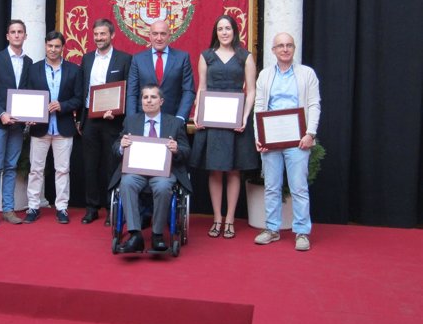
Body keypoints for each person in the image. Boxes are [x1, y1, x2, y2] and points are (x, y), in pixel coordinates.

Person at [190, 15, 259, 239]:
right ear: (216, 32)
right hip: (212, 118)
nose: (224, 32)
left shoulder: (245, 57)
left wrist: (245, 118)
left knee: (233, 169)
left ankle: (230, 218)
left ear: (234, 31)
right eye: (220, 29)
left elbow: (251, 91)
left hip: (235, 120)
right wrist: (197, 114)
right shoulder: (206, 56)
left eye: (227, 28)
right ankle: (217, 218)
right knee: (215, 169)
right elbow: (202, 87)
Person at [254, 32, 321, 251]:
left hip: (298, 139)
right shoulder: (264, 75)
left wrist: (310, 134)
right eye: (280, 46)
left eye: (289, 45)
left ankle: (302, 232)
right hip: (271, 140)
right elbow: (260, 107)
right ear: (273, 50)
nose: (285, 49)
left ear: (294, 48)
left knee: (298, 188)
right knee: (272, 187)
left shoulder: (307, 74)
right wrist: (259, 138)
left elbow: (313, 105)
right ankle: (272, 229)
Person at [109, 84, 192, 253]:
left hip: (164, 172)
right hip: (136, 171)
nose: (149, 101)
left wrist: (177, 149)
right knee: (127, 182)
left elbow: (186, 151)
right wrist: (121, 146)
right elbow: (116, 146)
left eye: (153, 97)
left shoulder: (175, 123)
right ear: (141, 101)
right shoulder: (131, 121)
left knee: (162, 186)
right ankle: (135, 235)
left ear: (161, 101)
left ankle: (157, 235)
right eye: (145, 97)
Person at [24, 31, 83, 224]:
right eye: (50, 46)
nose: (53, 49)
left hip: (63, 127)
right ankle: (33, 206)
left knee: (63, 169)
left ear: (62, 48)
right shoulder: (33, 69)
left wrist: (62, 105)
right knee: (36, 169)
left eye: (57, 46)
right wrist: (28, 116)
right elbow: (26, 96)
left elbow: (79, 98)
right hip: (39, 128)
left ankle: (62, 208)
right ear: (45, 45)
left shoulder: (74, 70)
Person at [79, 18, 132, 225]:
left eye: (103, 34)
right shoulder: (86, 59)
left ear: (112, 35)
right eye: (96, 34)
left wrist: (118, 112)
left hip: (113, 121)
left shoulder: (125, 59)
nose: (99, 38)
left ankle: (112, 209)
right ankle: (91, 208)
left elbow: (128, 92)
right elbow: (83, 89)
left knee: (112, 167)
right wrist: (80, 119)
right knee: (90, 166)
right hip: (90, 119)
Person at [0, 19, 33, 227]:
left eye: (20, 32)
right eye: (13, 32)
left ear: (25, 36)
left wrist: (31, 114)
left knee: (11, 166)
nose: (17, 35)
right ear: (7, 36)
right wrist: (2, 113)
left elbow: (29, 93)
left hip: (18, 125)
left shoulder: (29, 62)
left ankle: (9, 210)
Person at [126, 20, 195, 123]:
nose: (159, 38)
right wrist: (132, 120)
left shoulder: (182, 58)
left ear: (169, 36)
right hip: (144, 120)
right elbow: (132, 92)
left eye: (163, 34)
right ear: (149, 36)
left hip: (173, 120)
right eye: (155, 34)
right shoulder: (138, 59)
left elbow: (188, 90)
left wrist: (180, 118)